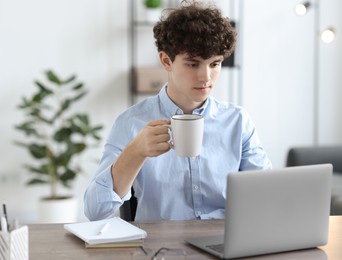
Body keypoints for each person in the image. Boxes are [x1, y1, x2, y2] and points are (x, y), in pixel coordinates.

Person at [84, 0, 272, 221]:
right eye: (193, 64)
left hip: (224, 243)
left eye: (215, 64)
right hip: (160, 249)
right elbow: (95, 212)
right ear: (166, 61)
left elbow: (266, 197)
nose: (206, 77)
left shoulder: (238, 121)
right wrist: (135, 152)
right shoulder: (132, 123)